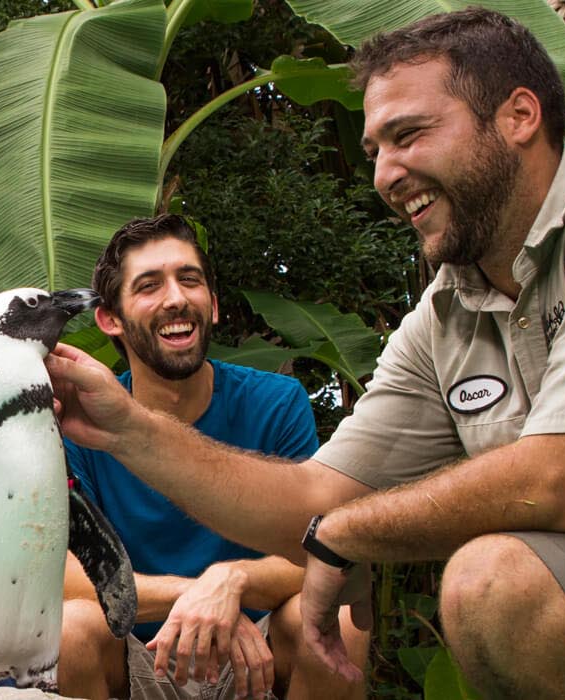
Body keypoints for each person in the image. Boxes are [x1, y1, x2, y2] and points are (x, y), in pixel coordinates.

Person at [44, 8, 565, 698]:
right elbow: (313, 502)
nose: (384, 174)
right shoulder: (450, 312)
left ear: (519, 116)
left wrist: (345, 535)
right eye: (375, 150)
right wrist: (126, 429)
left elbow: (556, 482)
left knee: (495, 586)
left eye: (408, 136)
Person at [55, 215, 367, 700]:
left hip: (258, 656)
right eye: (149, 286)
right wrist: (194, 594)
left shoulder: (275, 402)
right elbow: (67, 577)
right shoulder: (83, 421)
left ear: (214, 305)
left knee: (339, 617)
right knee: (67, 630)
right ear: (110, 319)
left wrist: (233, 579)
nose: (176, 298)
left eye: (190, 280)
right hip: (140, 654)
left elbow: (323, 551)